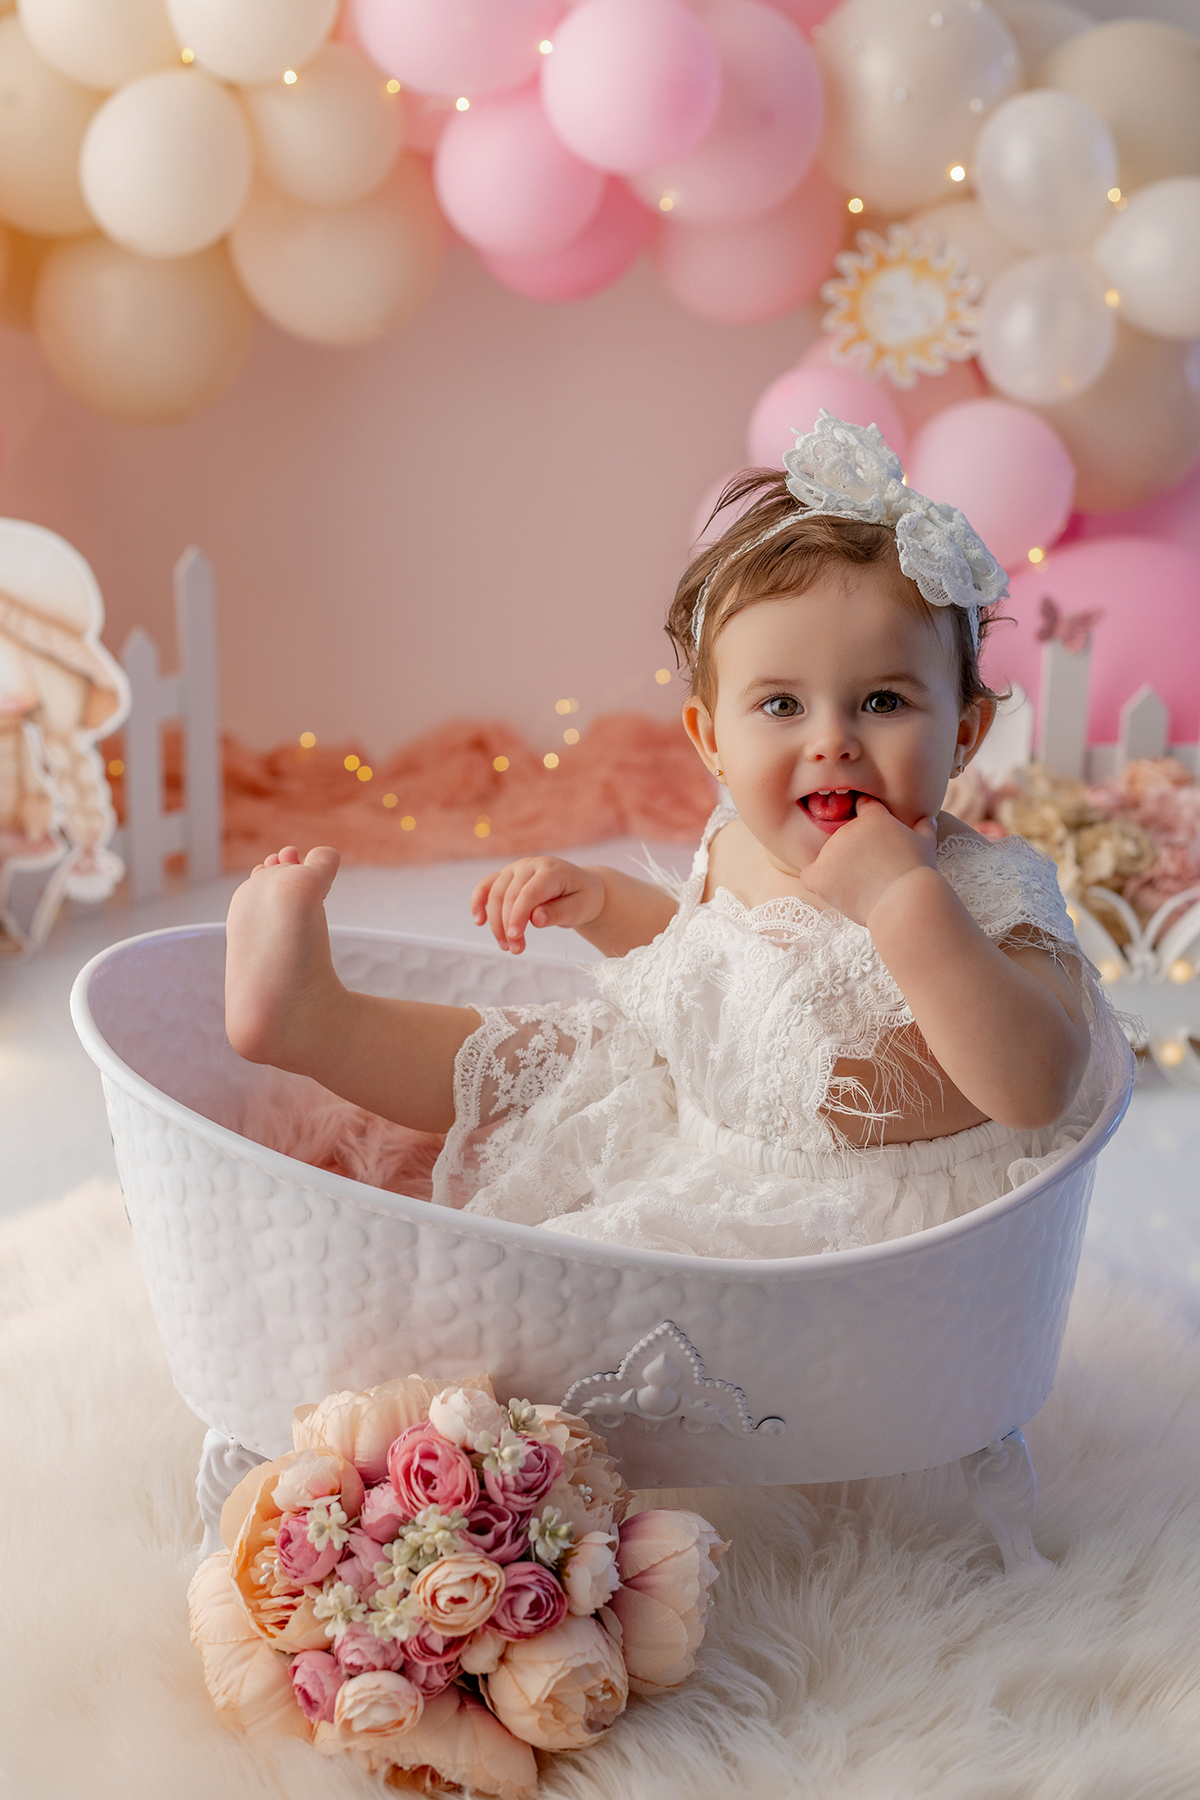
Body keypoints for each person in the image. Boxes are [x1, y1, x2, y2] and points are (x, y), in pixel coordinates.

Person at [225, 413, 1124, 1258]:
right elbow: (703, 959)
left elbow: (1036, 1087)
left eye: (883, 701)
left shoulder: (989, 891)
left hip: (858, 1231)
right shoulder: (737, 839)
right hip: (692, 1123)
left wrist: (904, 898)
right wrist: (607, 903)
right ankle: (314, 1020)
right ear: (712, 741)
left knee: (608, 1274)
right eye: (780, 704)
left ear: (965, 731)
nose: (832, 739)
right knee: (527, 1061)